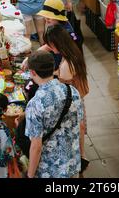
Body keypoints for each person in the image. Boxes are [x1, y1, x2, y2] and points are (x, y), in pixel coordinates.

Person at [25, 51, 83, 178]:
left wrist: (29, 175)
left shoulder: (35, 104)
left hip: (50, 170)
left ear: (32, 72)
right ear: (53, 68)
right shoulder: (72, 91)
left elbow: (36, 146)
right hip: (72, 164)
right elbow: (80, 126)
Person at [43, 25, 89, 171]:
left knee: (76, 130)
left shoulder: (66, 64)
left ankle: (78, 160)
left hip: (72, 103)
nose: (49, 47)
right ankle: (82, 157)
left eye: (50, 44)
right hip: (79, 98)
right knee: (80, 129)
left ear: (56, 43)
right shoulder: (73, 52)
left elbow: (63, 88)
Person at [21, 0, 83, 70]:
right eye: (46, 16)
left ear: (59, 17)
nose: (47, 19)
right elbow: (48, 46)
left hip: (65, 68)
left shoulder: (63, 33)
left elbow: (48, 47)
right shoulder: (55, 25)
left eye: (50, 16)